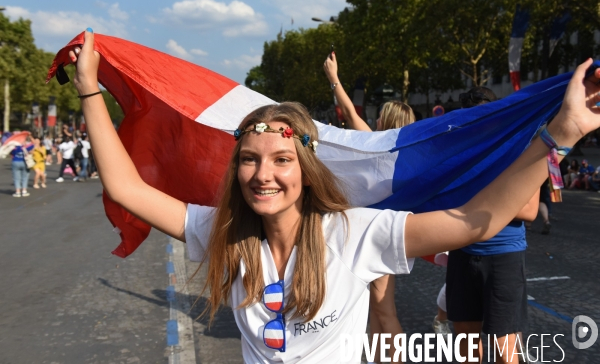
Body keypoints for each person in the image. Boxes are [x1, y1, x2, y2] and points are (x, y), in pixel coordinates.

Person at [70, 29, 600, 363]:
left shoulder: (355, 232)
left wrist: (560, 135)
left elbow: (475, 221)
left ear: (307, 170)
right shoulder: (222, 234)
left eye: (281, 161)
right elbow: (126, 188)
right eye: (249, 160)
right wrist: (91, 89)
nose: (263, 175)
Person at [324, 51, 415, 361]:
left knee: (384, 308)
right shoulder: (406, 155)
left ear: (386, 122)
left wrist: (333, 77)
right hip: (390, 235)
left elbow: (349, 112)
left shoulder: (382, 147)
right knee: (377, 307)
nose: (373, 120)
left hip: (378, 236)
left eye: (379, 117)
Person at [447, 86, 540, 364]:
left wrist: (473, 200)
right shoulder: (460, 152)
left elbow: (529, 209)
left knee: (505, 349)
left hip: (504, 258)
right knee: (464, 345)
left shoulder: (520, 147)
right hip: (462, 252)